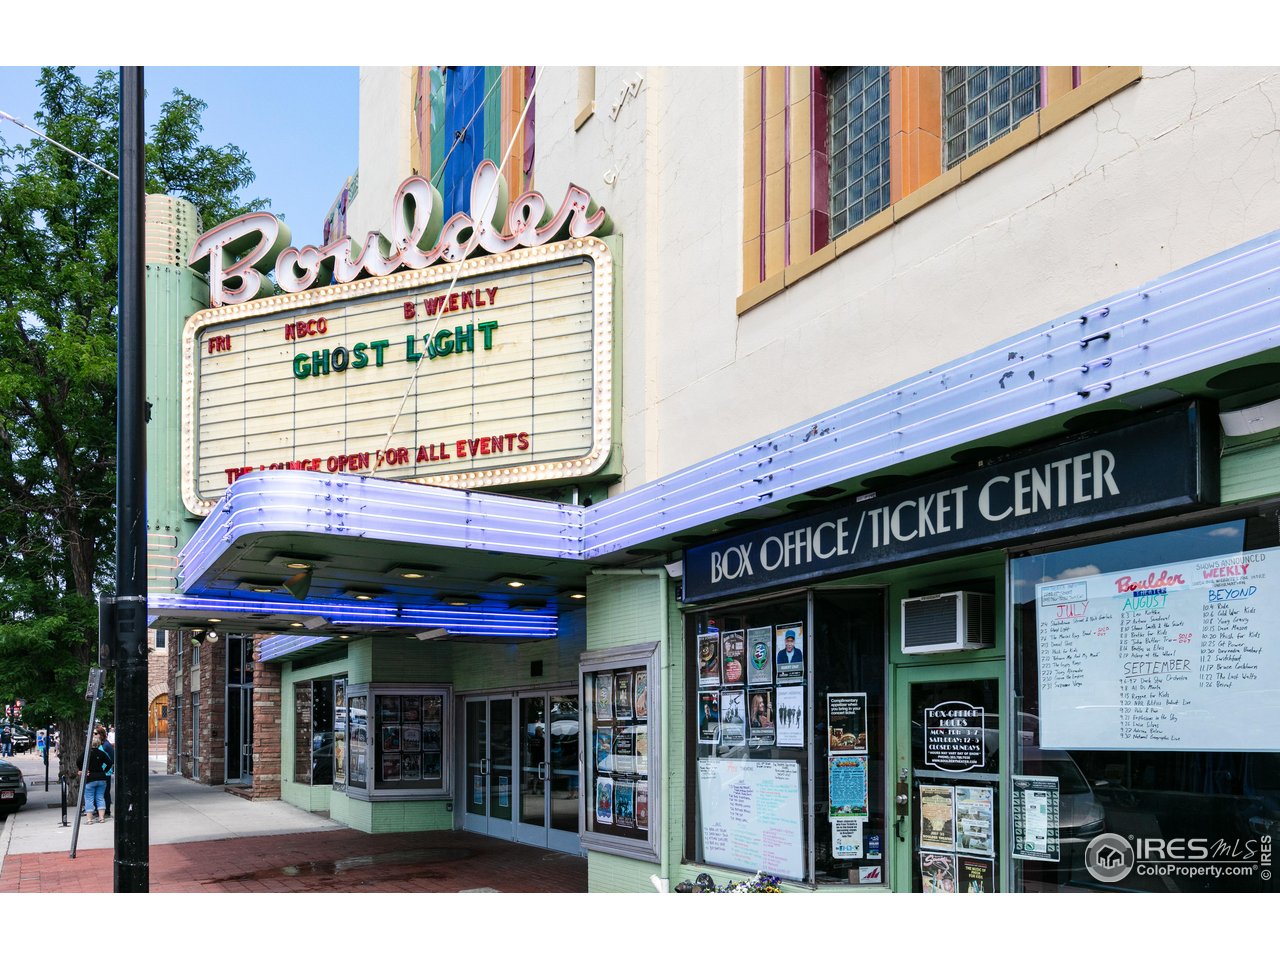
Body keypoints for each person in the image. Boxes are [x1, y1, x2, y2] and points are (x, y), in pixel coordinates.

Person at [80, 731, 113, 824]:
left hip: (90, 778)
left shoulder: (87, 753)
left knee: (89, 798)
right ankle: (101, 818)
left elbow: (78, 761)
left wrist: (83, 770)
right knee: (100, 797)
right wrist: (105, 771)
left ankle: (89, 819)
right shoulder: (102, 753)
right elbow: (110, 763)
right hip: (101, 778)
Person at [95, 724, 115, 819]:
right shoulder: (101, 744)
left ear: (100, 734)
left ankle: (107, 811)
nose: (94, 735)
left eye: (95, 733)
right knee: (99, 792)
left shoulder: (107, 745)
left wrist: (106, 769)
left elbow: (112, 759)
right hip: (99, 771)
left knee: (105, 792)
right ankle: (99, 810)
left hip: (105, 772)